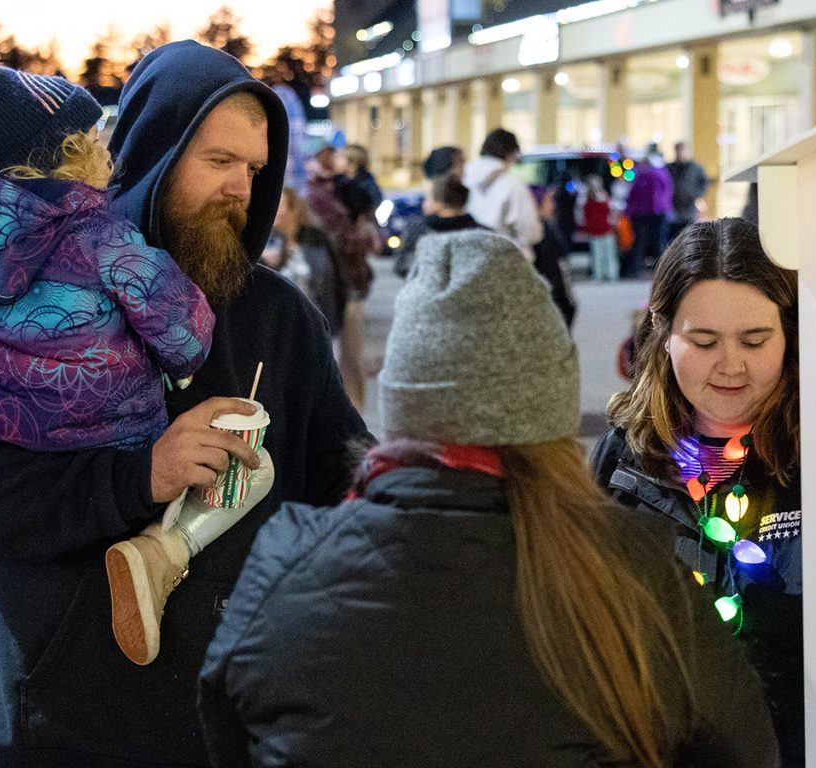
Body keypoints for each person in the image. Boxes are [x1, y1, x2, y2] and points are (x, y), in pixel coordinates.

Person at [0, 38, 371, 768]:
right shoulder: (22, 286)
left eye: (254, 168)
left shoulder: (280, 318)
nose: (241, 188)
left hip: (220, 734)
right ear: (153, 149)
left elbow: (341, 493)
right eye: (218, 161)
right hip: (44, 730)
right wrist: (136, 477)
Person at [199, 228, 780, 768]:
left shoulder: (284, 567)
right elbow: (744, 748)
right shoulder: (634, 574)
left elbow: (226, 733)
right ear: (547, 422)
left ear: (403, 412)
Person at [591, 218, 816, 766]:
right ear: (661, 329)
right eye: (703, 341)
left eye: (755, 340)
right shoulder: (625, 457)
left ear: (793, 334)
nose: (730, 365)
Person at [305, 145, 377, 411]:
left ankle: (355, 417)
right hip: (341, 284)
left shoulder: (339, 189)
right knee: (346, 358)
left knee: (350, 358)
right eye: (335, 156)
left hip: (348, 282)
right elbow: (343, 239)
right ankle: (352, 418)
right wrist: (364, 236)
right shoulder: (319, 196)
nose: (339, 159)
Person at [263, 187, 346, 336]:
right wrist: (264, 261)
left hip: (313, 325)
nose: (273, 210)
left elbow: (331, 284)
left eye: (279, 205)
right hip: (276, 328)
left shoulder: (314, 241)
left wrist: (330, 327)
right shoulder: (264, 242)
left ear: (293, 210)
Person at [462, 128, 543, 262]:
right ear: (511, 154)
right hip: (505, 261)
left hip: (468, 257)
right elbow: (530, 231)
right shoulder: (513, 185)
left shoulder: (463, 178)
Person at [392, 173, 484, 277]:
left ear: (439, 203)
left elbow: (401, 265)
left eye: (428, 198)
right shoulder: (482, 231)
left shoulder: (419, 230)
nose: (424, 203)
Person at [623, 143, 673, 277]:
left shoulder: (643, 175)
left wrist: (628, 211)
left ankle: (636, 270)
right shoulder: (662, 174)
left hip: (642, 213)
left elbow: (633, 195)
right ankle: (660, 271)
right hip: (657, 212)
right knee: (657, 242)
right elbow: (666, 194)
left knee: (641, 242)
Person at [533, 188, 577, 330]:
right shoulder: (539, 235)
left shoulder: (547, 229)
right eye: (549, 201)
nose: (553, 206)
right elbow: (555, 272)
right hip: (553, 303)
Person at [666, 141, 708, 244]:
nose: (680, 153)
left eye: (682, 150)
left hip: (689, 209)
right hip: (673, 209)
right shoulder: (669, 168)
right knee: (673, 239)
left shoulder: (695, 168)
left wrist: (694, 194)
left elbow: (703, 183)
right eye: (678, 150)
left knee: (688, 237)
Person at [583, 175, 618, 282]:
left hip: (605, 229)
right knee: (597, 254)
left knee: (608, 253)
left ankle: (611, 274)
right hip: (596, 231)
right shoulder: (588, 200)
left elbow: (608, 211)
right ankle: (598, 275)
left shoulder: (604, 197)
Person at [336, 143, 383, 215]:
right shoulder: (338, 179)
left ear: (352, 163)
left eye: (340, 157)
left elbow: (376, 200)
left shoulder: (366, 180)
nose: (336, 160)